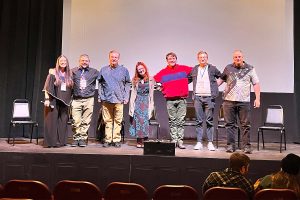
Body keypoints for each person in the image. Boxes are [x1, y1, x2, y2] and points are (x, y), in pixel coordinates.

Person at [219, 50, 260, 154]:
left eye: (239, 57)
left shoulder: (250, 68)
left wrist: (257, 98)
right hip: (228, 101)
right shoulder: (228, 68)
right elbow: (221, 80)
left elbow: (256, 84)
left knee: (245, 125)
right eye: (236, 57)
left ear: (243, 57)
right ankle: (230, 146)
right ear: (233, 58)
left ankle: (246, 146)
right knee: (229, 125)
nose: (238, 58)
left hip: (243, 101)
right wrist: (211, 88)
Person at [154, 52, 192, 149]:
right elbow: (153, 80)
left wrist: (187, 82)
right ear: (167, 61)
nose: (172, 60)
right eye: (170, 58)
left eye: (173, 58)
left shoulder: (184, 69)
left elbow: (195, 72)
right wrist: (161, 88)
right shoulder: (163, 72)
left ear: (176, 59)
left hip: (182, 99)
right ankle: (174, 140)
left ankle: (180, 141)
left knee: (180, 121)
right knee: (172, 121)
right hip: (170, 100)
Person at [98, 50, 131, 148]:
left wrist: (126, 97)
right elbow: (100, 83)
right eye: (112, 57)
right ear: (109, 58)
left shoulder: (124, 70)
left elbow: (128, 83)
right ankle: (108, 139)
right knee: (107, 120)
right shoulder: (103, 70)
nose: (114, 58)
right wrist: (100, 96)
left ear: (118, 58)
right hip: (106, 99)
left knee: (118, 120)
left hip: (119, 99)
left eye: (116, 57)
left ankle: (116, 139)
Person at [191, 51, 222, 151]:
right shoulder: (195, 69)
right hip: (198, 97)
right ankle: (199, 142)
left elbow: (222, 76)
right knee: (199, 121)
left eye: (204, 57)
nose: (202, 59)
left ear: (207, 58)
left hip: (209, 97)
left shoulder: (212, 68)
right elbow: (187, 79)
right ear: (198, 59)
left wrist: (215, 86)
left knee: (209, 121)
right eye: (200, 57)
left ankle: (210, 143)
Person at [43, 55, 73, 147]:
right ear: (58, 62)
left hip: (65, 101)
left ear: (67, 62)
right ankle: (51, 143)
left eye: (65, 60)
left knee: (63, 122)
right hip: (54, 99)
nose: (63, 62)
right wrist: (47, 99)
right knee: (51, 121)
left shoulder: (70, 74)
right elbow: (47, 87)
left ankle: (61, 142)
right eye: (61, 61)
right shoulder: (53, 72)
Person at [71, 54, 98, 147]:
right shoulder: (73, 71)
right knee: (76, 120)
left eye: (86, 60)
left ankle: (82, 138)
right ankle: (76, 138)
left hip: (88, 99)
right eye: (82, 60)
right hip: (76, 99)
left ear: (89, 62)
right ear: (79, 61)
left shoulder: (94, 72)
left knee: (86, 121)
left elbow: (104, 80)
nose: (84, 62)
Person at [129, 62, 155, 148]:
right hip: (138, 101)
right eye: (139, 69)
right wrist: (132, 105)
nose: (141, 70)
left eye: (142, 68)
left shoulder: (151, 79)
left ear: (145, 68)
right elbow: (133, 92)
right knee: (138, 121)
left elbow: (152, 91)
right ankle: (139, 140)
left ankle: (146, 140)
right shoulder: (135, 80)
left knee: (145, 121)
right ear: (137, 71)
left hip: (147, 101)